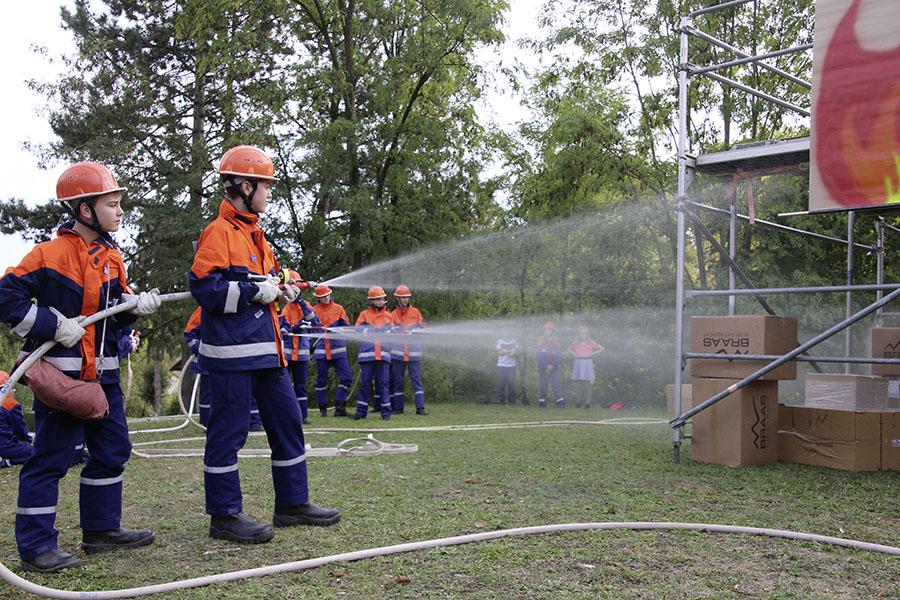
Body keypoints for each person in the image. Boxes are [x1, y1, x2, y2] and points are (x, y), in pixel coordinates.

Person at [0, 161, 160, 572]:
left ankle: (102, 531)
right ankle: (36, 547)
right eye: (112, 203)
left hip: (103, 379)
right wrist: (54, 324)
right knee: (50, 459)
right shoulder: (47, 256)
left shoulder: (112, 257)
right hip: (62, 382)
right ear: (85, 209)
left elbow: (115, 316)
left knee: (112, 451)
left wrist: (135, 307)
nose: (120, 210)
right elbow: (5, 299)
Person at [190, 145, 340, 545]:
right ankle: (224, 516)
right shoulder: (218, 233)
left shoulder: (255, 233)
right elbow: (205, 289)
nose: (270, 193)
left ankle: (292, 503)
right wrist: (256, 291)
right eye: (266, 186)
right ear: (244, 185)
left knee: (287, 422)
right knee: (228, 434)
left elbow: (267, 281)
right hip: (231, 357)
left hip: (266, 352)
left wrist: (281, 291)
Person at [279, 271, 322, 425]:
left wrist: (302, 303)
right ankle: (285, 415)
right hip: (287, 355)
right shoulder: (285, 307)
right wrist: (294, 328)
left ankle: (302, 416)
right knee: (283, 387)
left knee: (300, 387)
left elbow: (316, 323)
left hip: (302, 354)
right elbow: (282, 329)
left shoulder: (306, 306)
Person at [354, 286, 397, 420]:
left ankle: (386, 413)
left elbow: (393, 334)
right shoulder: (364, 315)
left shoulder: (389, 316)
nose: (380, 301)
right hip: (367, 355)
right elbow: (357, 330)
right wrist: (372, 330)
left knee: (383, 384)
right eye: (377, 299)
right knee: (365, 384)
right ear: (372, 301)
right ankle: (361, 412)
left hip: (383, 355)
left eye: (382, 299)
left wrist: (389, 331)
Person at [310, 284, 353, 417]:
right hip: (321, 351)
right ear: (318, 298)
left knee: (346, 378)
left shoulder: (338, 309)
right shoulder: (313, 311)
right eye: (323, 297)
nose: (326, 298)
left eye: (327, 295)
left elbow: (346, 326)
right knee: (321, 381)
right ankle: (322, 408)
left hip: (338, 350)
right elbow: (310, 329)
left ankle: (340, 408)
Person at [389, 285, 428, 415]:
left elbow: (423, 328)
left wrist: (416, 331)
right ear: (397, 299)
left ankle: (420, 407)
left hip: (414, 352)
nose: (405, 300)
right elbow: (389, 331)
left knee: (416, 380)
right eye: (402, 297)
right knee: (397, 381)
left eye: (406, 297)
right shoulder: (392, 315)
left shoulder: (415, 312)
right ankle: (398, 408)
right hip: (398, 353)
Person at [0, 371, 34, 468]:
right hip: (6, 446)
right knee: (36, 451)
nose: (14, 390)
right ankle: (7, 462)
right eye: (12, 387)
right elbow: (20, 429)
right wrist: (27, 441)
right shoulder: (10, 404)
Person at [568, 325, 605, 409]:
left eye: (585, 333)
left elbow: (602, 348)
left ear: (587, 334)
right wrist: (574, 353)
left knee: (587, 384)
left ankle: (587, 403)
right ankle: (578, 402)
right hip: (578, 362)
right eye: (581, 333)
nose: (583, 335)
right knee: (578, 383)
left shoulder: (591, 343)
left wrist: (592, 353)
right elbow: (569, 349)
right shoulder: (575, 343)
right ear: (579, 334)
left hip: (587, 362)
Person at [536, 321, 565, 408]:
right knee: (543, 386)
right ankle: (542, 404)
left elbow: (559, 356)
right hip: (543, 368)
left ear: (553, 331)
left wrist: (552, 365)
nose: (546, 331)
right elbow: (538, 356)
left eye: (548, 330)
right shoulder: (540, 341)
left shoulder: (557, 342)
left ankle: (560, 404)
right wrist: (546, 366)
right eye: (545, 330)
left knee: (556, 386)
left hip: (554, 368)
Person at [496, 335, 519, 404]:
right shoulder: (499, 341)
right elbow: (499, 353)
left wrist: (514, 354)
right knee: (501, 383)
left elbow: (517, 352)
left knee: (511, 383)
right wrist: (510, 352)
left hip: (512, 366)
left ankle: (512, 400)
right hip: (501, 365)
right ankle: (501, 400)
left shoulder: (514, 341)